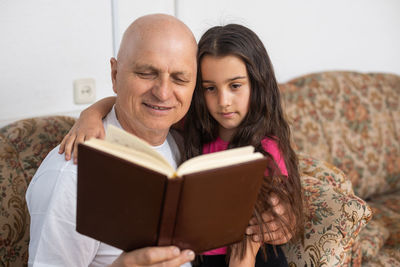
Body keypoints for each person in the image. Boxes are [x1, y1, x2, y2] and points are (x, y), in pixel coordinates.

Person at [59, 24, 304, 266]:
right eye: (209, 88)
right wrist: (90, 115)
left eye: (235, 86)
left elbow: (252, 236)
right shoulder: (193, 127)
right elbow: (135, 100)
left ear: (258, 84)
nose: (223, 102)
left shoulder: (265, 151)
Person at [26, 14, 198, 267]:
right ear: (115, 74)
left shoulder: (186, 140)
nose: (163, 93)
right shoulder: (71, 177)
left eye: (180, 79)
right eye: (146, 73)